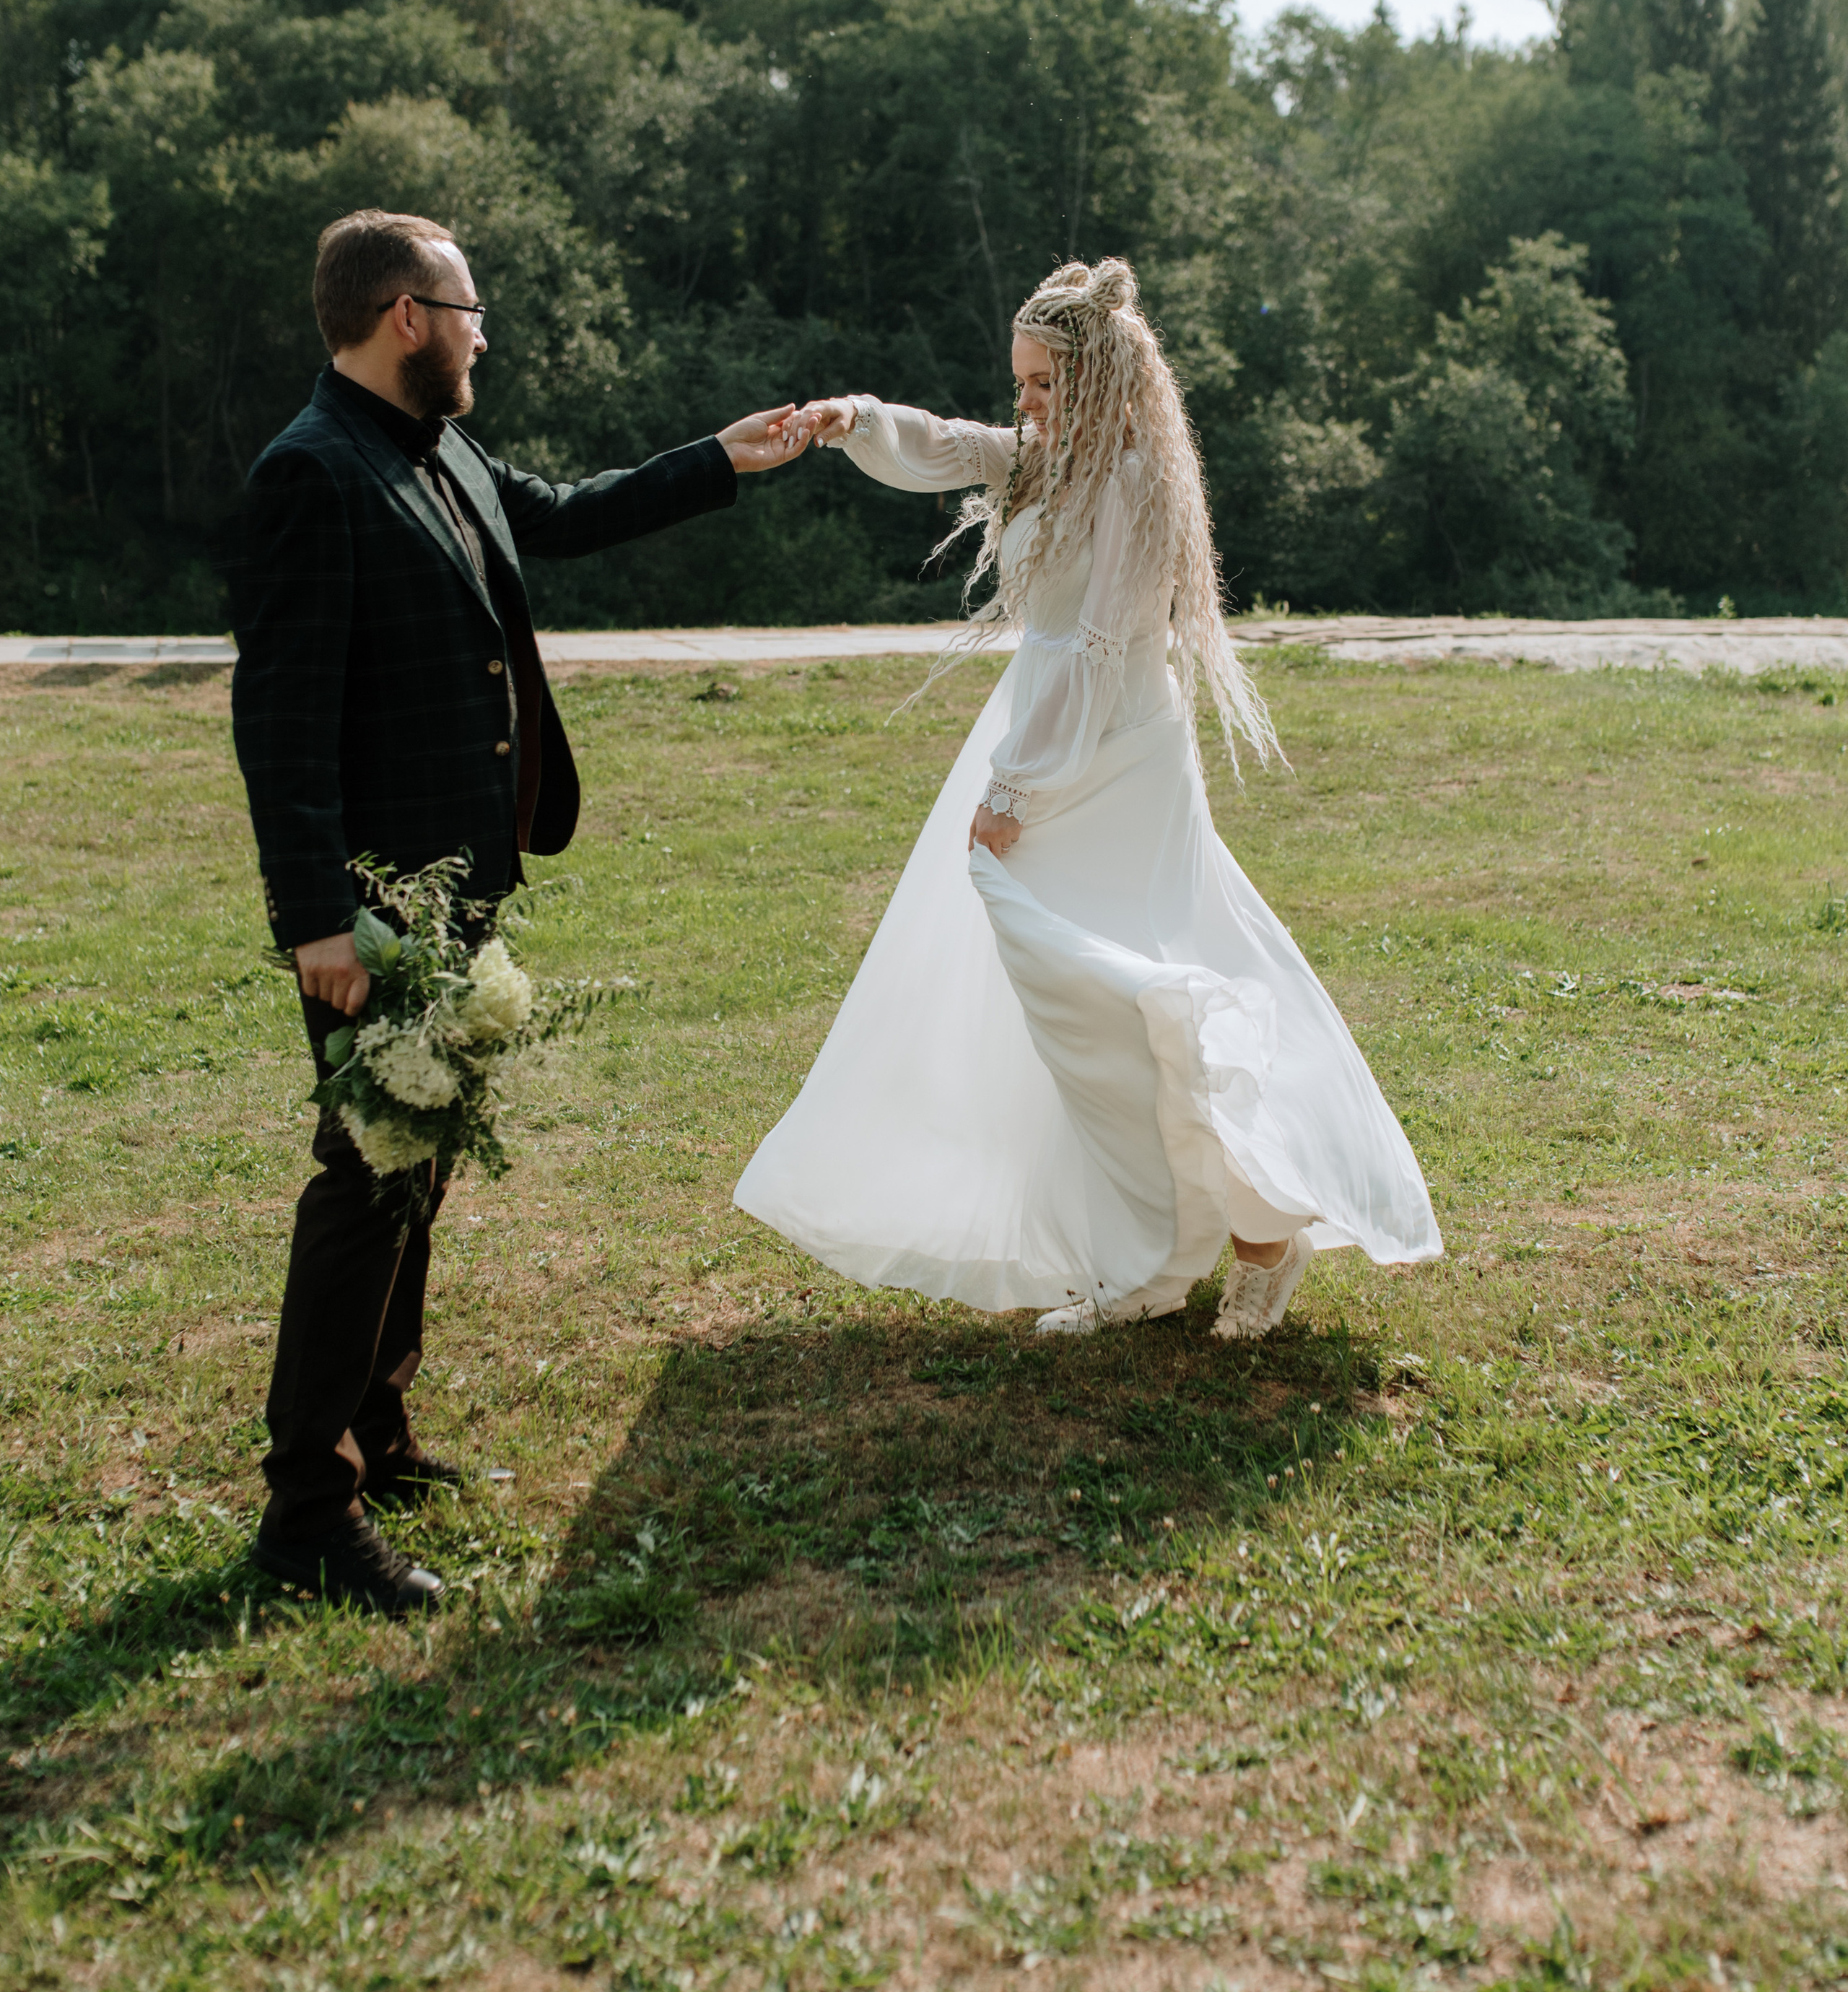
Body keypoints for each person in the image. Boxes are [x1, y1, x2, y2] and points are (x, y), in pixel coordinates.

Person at [233, 206, 810, 1617]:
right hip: (375, 916)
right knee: (366, 1179)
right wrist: (316, 921)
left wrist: (718, 461)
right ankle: (308, 1509)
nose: (485, 332)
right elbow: (282, 724)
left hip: (462, 889)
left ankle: (384, 1431)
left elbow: (557, 517)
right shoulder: (311, 474)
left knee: (418, 1166)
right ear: (403, 314)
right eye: (469, 308)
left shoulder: (440, 454)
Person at [735, 256, 1439, 1332]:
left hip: (1112, 753)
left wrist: (1018, 787)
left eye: (1044, 384)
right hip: (1045, 726)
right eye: (1019, 382)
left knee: (1125, 986)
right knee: (1072, 1006)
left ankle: (1251, 1229)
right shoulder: (1040, 458)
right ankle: (1142, 1253)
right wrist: (854, 418)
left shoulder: (1134, 481)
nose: (1024, 404)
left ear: (1103, 380)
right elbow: (946, 444)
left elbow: (1107, 650)